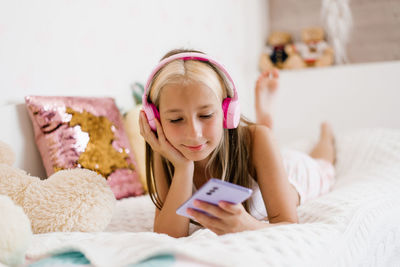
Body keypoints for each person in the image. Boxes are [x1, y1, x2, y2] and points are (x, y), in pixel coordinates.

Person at [139, 49, 336, 238]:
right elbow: (168, 235)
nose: (194, 134)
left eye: (206, 115)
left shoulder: (258, 139)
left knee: (322, 166)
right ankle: (265, 123)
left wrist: (248, 226)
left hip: (291, 170)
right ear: (154, 120)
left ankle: (325, 133)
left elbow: (289, 225)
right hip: (257, 154)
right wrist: (183, 167)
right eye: (175, 120)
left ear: (227, 113)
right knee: (263, 141)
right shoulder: (165, 149)